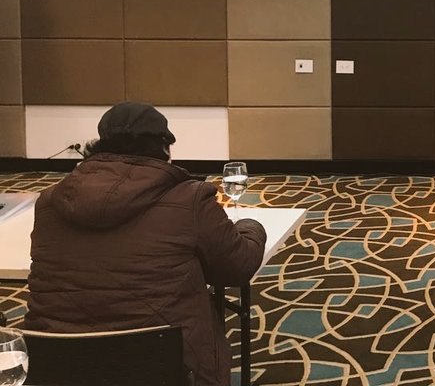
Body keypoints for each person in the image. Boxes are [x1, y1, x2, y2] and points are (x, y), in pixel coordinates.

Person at [26, 102, 268, 386]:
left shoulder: (49, 202)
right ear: (164, 148)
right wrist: (251, 227)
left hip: (58, 368)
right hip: (168, 371)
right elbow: (237, 267)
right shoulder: (191, 199)